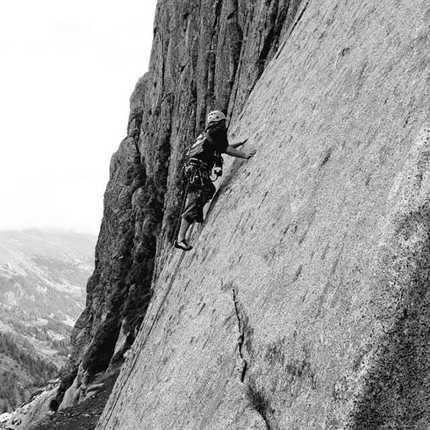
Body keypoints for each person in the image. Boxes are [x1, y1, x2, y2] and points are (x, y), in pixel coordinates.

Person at [175, 110, 256, 251]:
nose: (225, 124)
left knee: (209, 189)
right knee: (194, 201)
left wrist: (240, 142)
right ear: (220, 121)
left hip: (193, 169)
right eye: (224, 122)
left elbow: (222, 147)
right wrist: (245, 155)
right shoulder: (218, 131)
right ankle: (180, 239)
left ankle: (197, 212)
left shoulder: (207, 134)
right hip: (197, 170)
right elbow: (225, 148)